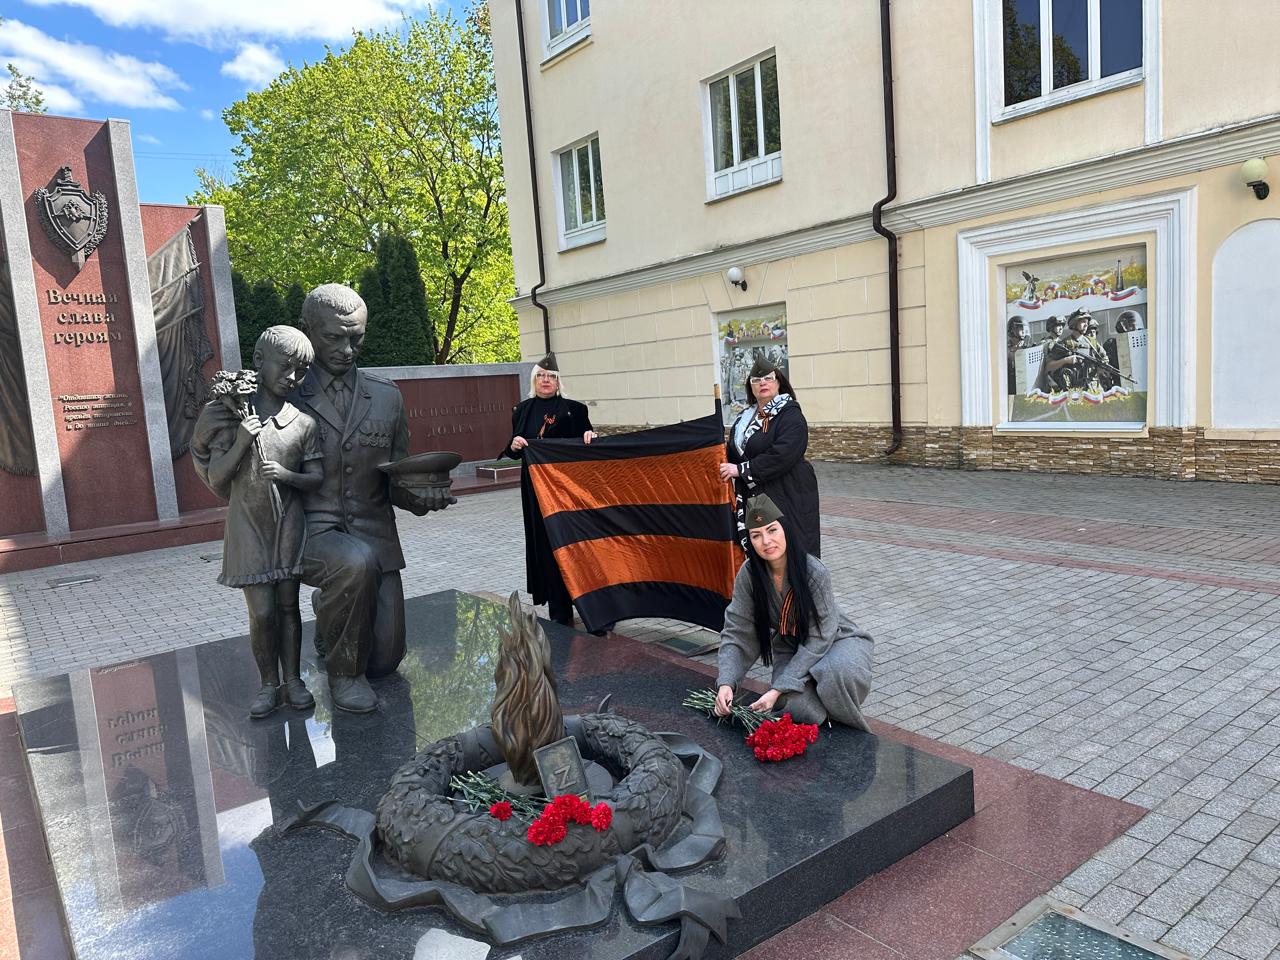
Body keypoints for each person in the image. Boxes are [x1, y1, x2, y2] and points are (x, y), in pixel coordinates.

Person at [290, 284, 447, 714]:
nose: (347, 349)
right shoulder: (286, 395)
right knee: (352, 564)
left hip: (375, 539)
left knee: (384, 661)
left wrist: (421, 496)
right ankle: (343, 674)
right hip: (309, 532)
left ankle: (330, 609)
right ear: (307, 331)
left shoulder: (386, 396)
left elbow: (395, 478)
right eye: (333, 338)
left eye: (356, 337)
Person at [192, 326, 323, 719]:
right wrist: (242, 440)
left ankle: (294, 680)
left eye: (302, 371)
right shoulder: (232, 417)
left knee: (288, 606)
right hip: (247, 524)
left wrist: (287, 475)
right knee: (262, 612)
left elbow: (315, 478)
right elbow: (217, 479)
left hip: (288, 525)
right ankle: (268, 683)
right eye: (286, 366)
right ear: (259, 361)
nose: (293, 377)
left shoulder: (302, 424)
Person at [713, 494, 873, 729]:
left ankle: (842, 717)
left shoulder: (814, 571)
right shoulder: (749, 575)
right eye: (756, 535)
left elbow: (821, 636)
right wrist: (727, 682)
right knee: (794, 706)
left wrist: (778, 687)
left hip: (835, 639)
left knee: (836, 671)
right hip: (792, 645)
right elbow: (737, 631)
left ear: (785, 530)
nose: (766, 541)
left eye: (772, 530)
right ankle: (822, 704)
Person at [502, 352, 598, 627]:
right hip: (536, 492)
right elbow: (513, 450)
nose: (546, 380)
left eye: (551, 377)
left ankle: (593, 605)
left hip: (568, 491)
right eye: (541, 376)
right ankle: (559, 609)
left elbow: (588, 441)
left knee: (575, 544)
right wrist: (514, 445)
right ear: (534, 380)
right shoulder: (521, 410)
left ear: (558, 382)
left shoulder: (575, 410)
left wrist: (591, 437)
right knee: (546, 546)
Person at [720, 357, 820, 557]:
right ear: (751, 387)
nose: (762, 383)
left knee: (789, 550)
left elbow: (782, 454)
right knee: (764, 550)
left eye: (768, 378)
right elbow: (735, 451)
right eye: (756, 380)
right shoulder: (744, 418)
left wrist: (741, 470)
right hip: (756, 494)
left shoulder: (791, 415)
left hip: (787, 492)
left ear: (778, 382)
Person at [1007, 316, 1029, 396]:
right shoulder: (1003, 349)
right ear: (1012, 330)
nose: (1023, 331)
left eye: (1024, 328)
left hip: (1024, 388)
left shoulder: (1028, 347)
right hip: (1009, 387)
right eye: (1020, 328)